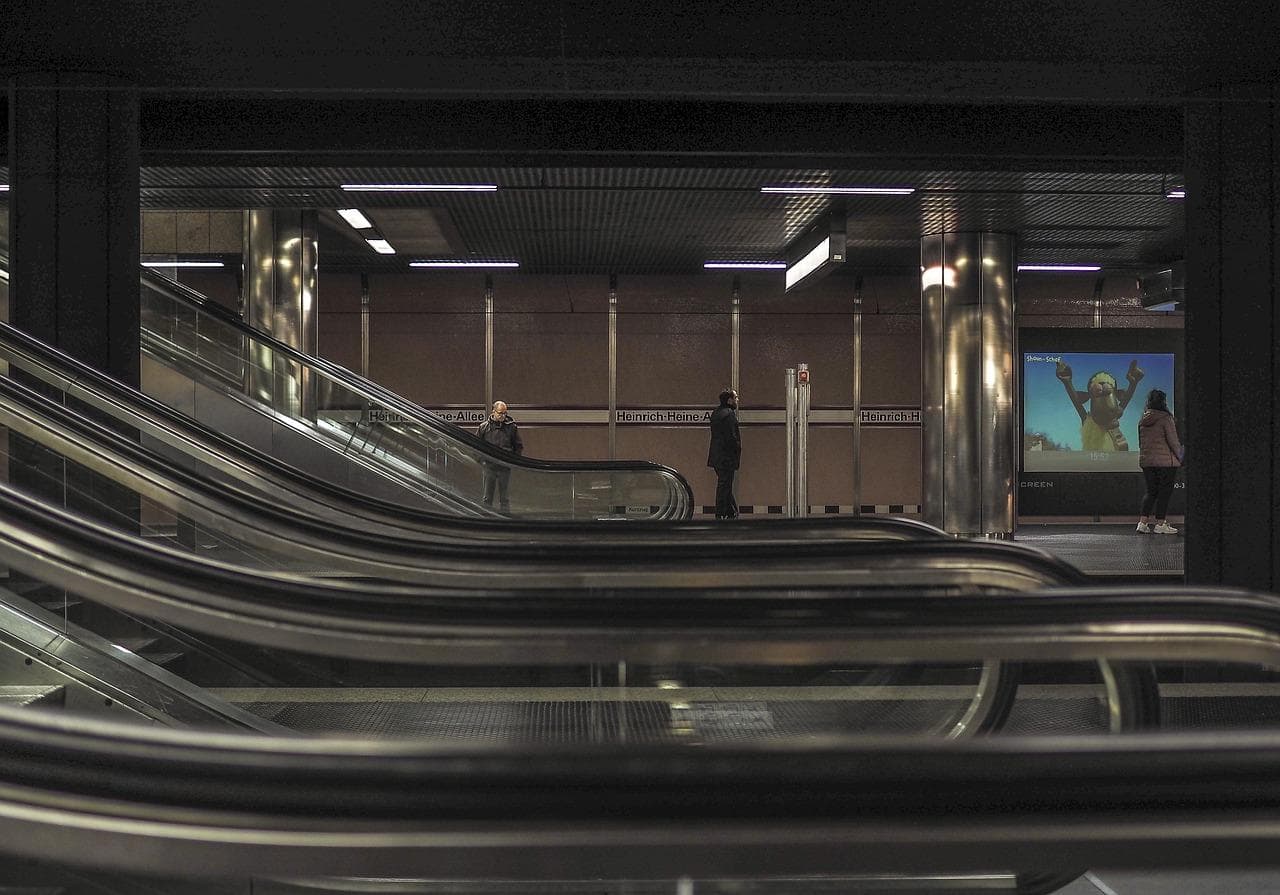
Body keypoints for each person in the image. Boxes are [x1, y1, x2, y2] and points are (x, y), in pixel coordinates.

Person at [1136, 388, 1182, 534]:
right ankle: (1160, 524)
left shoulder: (1142, 420)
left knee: (1151, 492)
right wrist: (1181, 457)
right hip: (1165, 463)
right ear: (1163, 402)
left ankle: (1142, 524)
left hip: (1147, 462)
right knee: (1164, 493)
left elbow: (1140, 444)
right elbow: (1174, 442)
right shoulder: (1166, 418)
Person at [477, 400, 522, 513]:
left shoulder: (511, 427)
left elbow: (518, 446)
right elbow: (476, 445)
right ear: (493, 412)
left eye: (505, 413)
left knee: (504, 498)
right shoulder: (484, 427)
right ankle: (486, 520)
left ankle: (506, 521)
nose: (503, 416)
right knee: (487, 497)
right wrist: (481, 461)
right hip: (489, 466)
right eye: (500, 413)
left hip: (504, 466)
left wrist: (513, 461)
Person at [706, 388, 741, 519]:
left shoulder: (716, 413)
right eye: (736, 397)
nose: (737, 400)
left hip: (716, 456)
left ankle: (732, 511)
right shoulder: (729, 415)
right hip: (726, 457)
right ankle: (720, 513)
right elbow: (732, 437)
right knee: (724, 486)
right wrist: (737, 451)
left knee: (725, 485)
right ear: (729, 400)